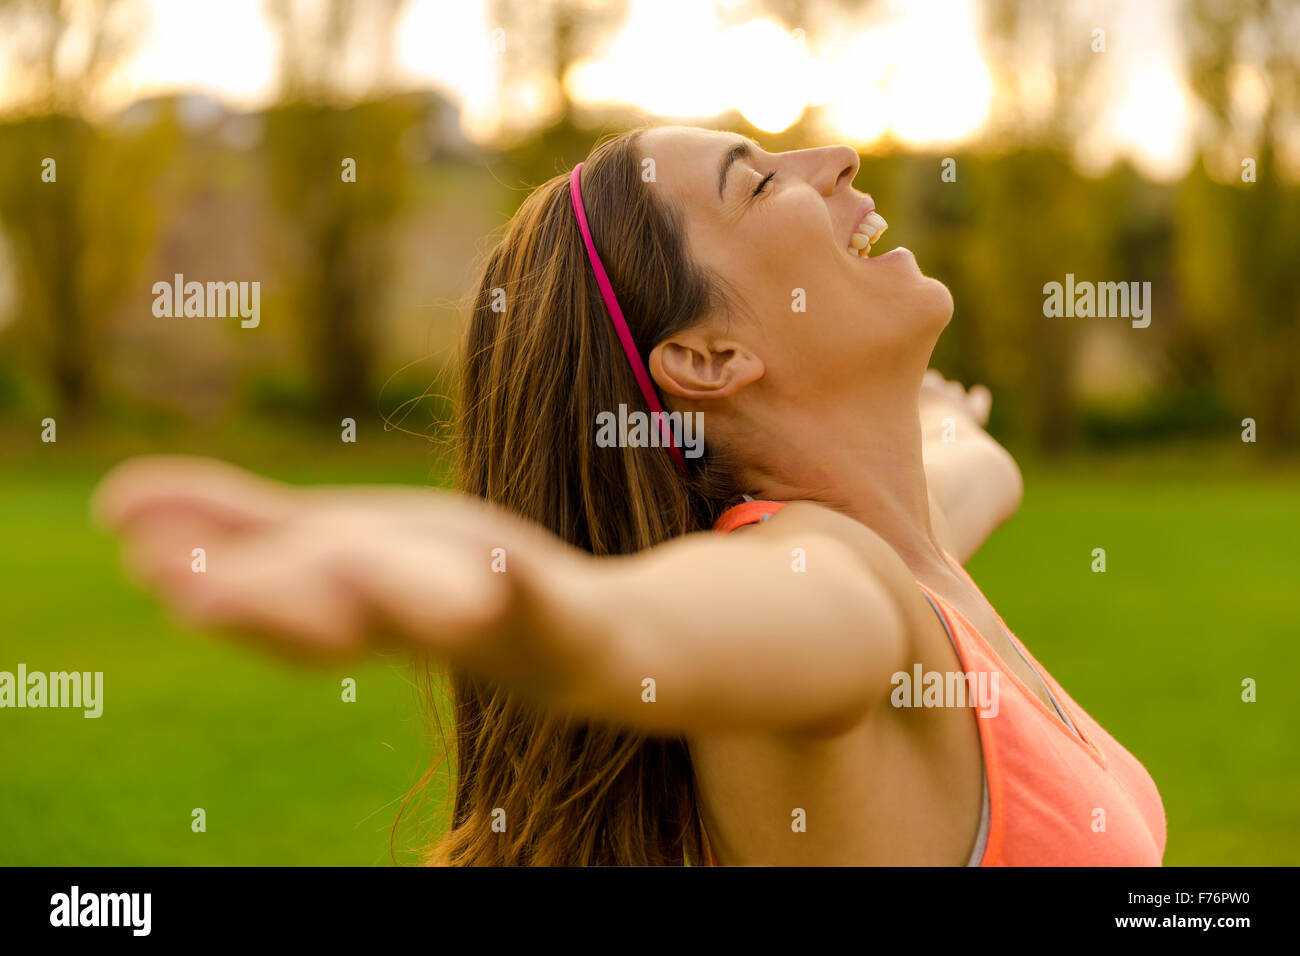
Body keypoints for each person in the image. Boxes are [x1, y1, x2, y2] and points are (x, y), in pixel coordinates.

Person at [93, 126, 1166, 866]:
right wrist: (545, 609)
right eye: (757, 182)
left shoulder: (916, 547)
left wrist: (946, 421)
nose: (832, 159)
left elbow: (970, 473)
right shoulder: (833, 587)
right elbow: (654, 624)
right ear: (707, 356)